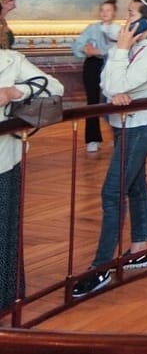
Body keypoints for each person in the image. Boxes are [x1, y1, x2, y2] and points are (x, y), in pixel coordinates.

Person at [71, 0, 147, 298]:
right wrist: (118, 78)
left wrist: (120, 58)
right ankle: (140, 250)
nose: (126, 20)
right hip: (123, 124)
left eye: (133, 15)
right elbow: (107, 86)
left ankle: (100, 267)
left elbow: (116, 84)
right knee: (135, 185)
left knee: (112, 191)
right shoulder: (134, 46)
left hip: (141, 127)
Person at [0, 49, 65, 311]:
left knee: (4, 233)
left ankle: (6, 304)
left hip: (3, 162)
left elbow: (55, 88)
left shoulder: (10, 60)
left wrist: (13, 92)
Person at [71, 0, 119, 153]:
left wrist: (100, 51)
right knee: (92, 102)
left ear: (114, 13)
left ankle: (117, 135)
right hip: (93, 66)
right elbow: (78, 46)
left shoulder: (119, 30)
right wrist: (86, 49)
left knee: (113, 100)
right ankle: (92, 138)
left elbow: (119, 50)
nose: (105, 13)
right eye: (102, 10)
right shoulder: (92, 28)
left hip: (112, 66)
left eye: (108, 10)